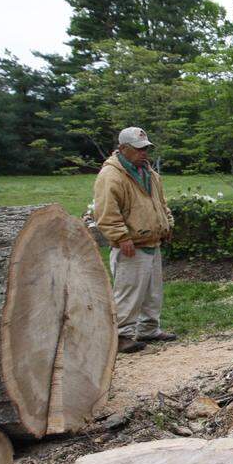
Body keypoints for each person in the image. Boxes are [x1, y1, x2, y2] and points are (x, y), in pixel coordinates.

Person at [92, 126, 177, 354]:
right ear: (123, 149)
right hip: (131, 244)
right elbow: (106, 211)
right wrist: (121, 237)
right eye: (139, 149)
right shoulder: (111, 176)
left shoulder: (150, 173)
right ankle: (122, 335)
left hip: (152, 240)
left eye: (146, 149)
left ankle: (149, 328)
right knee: (128, 292)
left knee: (152, 291)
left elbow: (161, 202)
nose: (144, 153)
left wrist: (167, 223)